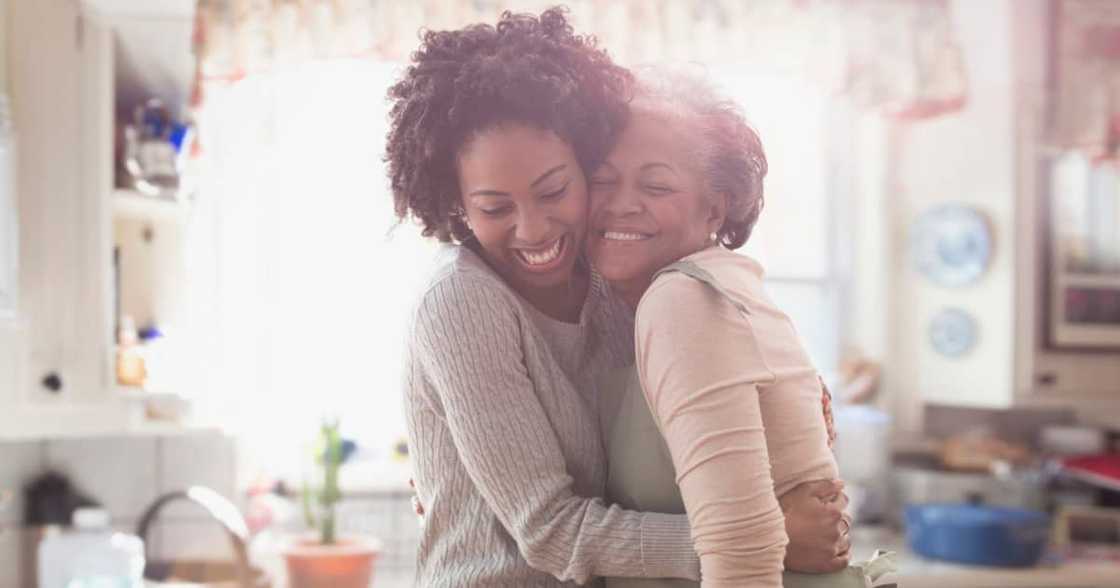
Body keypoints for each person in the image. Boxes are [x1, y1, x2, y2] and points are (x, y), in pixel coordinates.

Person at [387, 9, 848, 587]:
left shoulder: (616, 276)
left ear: (583, 166)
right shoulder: (460, 301)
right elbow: (549, 529)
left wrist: (800, 407)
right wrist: (765, 536)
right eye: (495, 208)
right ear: (455, 204)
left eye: (554, 190)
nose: (532, 230)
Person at [588, 69, 857, 587]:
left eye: (656, 184)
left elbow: (742, 556)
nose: (620, 202)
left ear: (715, 206)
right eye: (603, 179)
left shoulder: (683, 299)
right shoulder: (700, 287)